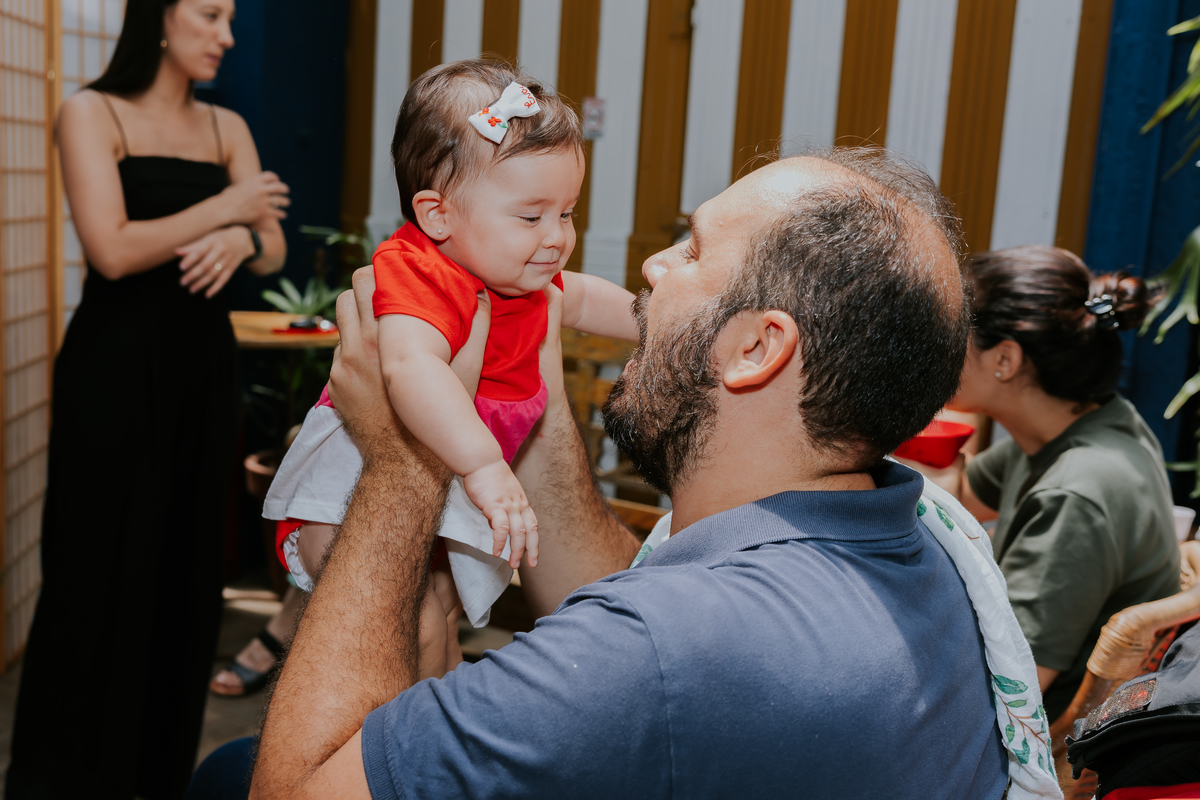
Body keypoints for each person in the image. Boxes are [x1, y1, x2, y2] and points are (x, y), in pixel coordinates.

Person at [243, 151, 1063, 799]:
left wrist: (403, 457)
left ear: (755, 349)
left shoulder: (664, 647)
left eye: (693, 250)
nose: (651, 270)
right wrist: (515, 365)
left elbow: (292, 792)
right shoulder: (909, 543)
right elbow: (620, 599)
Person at [6, 0, 287, 797]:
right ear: (158, 19)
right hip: (114, 372)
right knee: (94, 567)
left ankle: (154, 776)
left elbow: (269, 247)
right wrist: (229, 207)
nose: (225, 36)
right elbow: (115, 248)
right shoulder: (90, 111)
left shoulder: (228, 127)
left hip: (201, 371)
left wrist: (240, 236)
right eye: (209, 15)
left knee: (184, 568)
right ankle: (61, 778)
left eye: (231, 18)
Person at [262, 60, 636, 628]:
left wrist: (660, 322)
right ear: (437, 215)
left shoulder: (514, 276)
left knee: (434, 628)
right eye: (531, 215)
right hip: (352, 496)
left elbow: (582, 299)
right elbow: (411, 368)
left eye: (567, 213)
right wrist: (484, 465)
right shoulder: (421, 272)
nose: (557, 237)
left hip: (447, 489)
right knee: (388, 625)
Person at [917, 245, 1181, 722]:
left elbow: (1009, 687)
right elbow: (963, 497)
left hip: (1043, 733)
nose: (936, 346)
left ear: (1006, 359)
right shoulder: (1077, 423)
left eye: (953, 333)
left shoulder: (1077, 493)